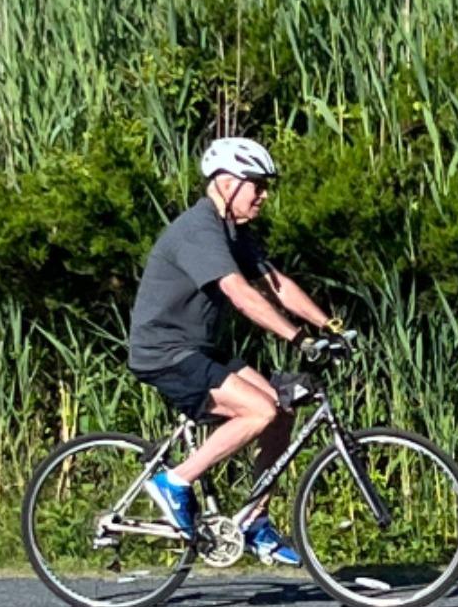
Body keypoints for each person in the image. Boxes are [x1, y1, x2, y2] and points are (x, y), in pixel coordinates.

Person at [126, 136, 337, 565]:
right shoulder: (198, 229)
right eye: (255, 184)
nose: (263, 195)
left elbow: (276, 284)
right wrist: (298, 339)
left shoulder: (234, 232)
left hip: (199, 349)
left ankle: (253, 520)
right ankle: (175, 482)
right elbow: (240, 294)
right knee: (258, 411)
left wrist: (328, 326)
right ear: (225, 183)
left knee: (281, 409)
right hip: (165, 353)